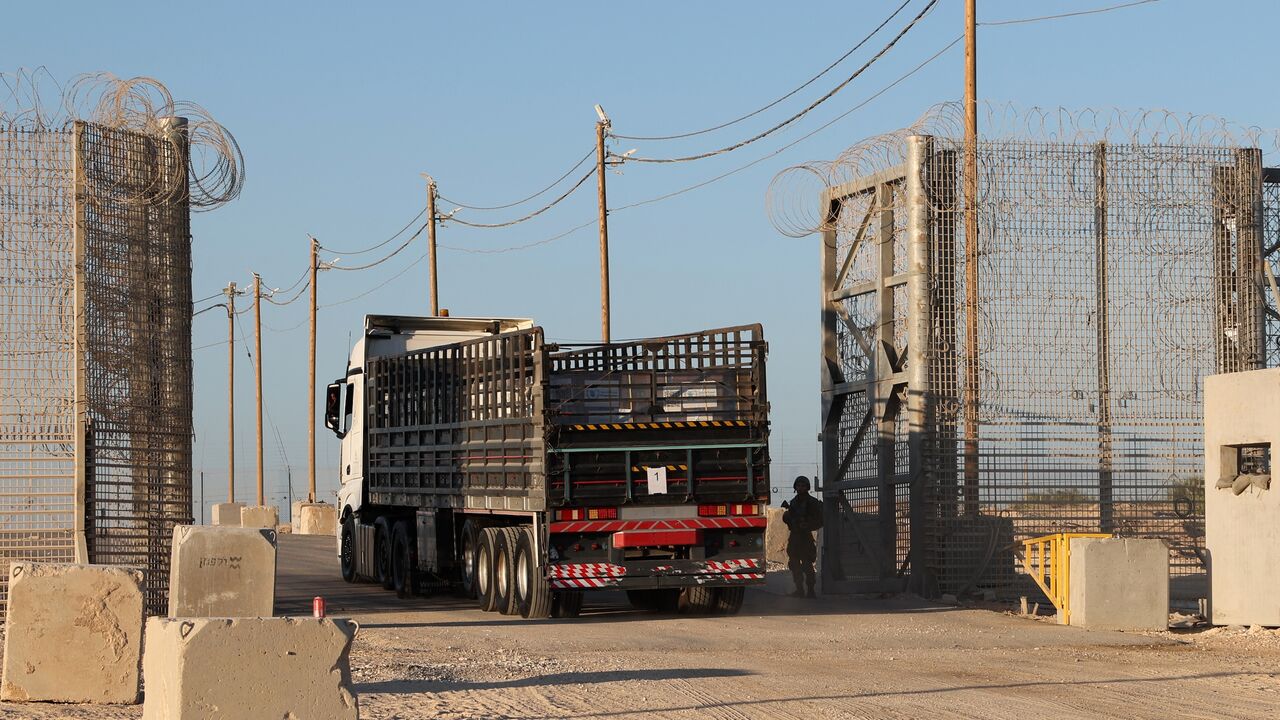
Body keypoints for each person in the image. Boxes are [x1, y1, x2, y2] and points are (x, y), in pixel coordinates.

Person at [781, 475, 823, 598]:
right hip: (795, 537)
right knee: (794, 564)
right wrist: (788, 517)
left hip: (805, 538)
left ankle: (810, 590)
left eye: (803, 486)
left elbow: (820, 520)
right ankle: (799, 589)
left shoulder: (812, 503)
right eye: (798, 485)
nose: (800, 488)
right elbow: (788, 519)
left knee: (807, 565)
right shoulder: (793, 502)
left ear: (807, 487)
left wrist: (807, 524)